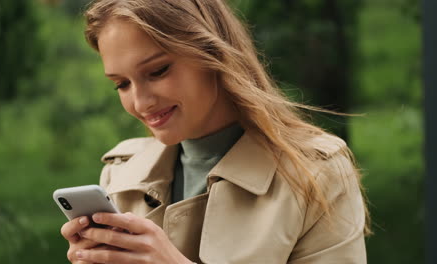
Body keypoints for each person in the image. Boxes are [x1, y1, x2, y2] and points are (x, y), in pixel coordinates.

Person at [60, 0, 371, 263]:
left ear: (212, 53)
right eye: (122, 84)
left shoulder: (316, 174)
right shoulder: (121, 175)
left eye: (158, 71)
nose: (141, 103)